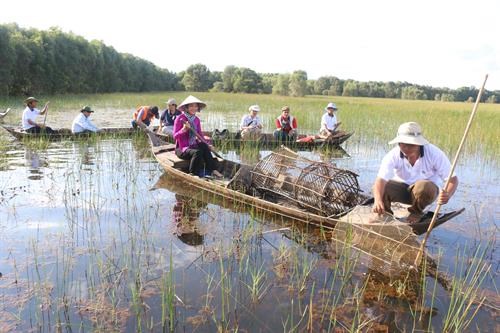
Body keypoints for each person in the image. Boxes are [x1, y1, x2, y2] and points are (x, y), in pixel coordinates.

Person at [372, 122, 459, 223]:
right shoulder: (392, 155)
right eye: (403, 145)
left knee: (423, 186)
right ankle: (384, 214)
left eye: (411, 145)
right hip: (403, 189)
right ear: (399, 143)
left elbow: (452, 179)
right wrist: (377, 200)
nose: (407, 148)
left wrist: (447, 194)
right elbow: (381, 179)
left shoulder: (434, 153)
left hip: (425, 193)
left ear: (419, 144)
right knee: (379, 188)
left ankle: (416, 212)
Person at [173, 95, 223, 177]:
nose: (194, 108)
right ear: (186, 107)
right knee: (197, 152)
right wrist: (183, 130)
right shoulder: (180, 119)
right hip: (182, 149)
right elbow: (175, 136)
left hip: (193, 145)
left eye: (195, 106)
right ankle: (193, 173)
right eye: (191, 106)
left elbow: (200, 135)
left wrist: (208, 145)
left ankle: (212, 169)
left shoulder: (196, 120)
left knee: (204, 146)